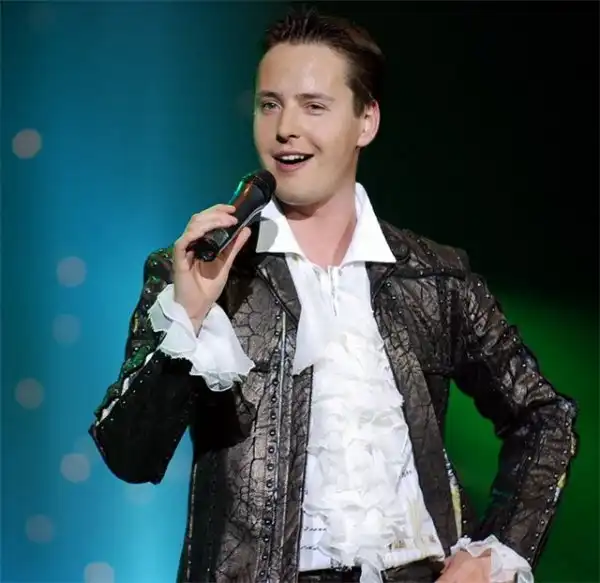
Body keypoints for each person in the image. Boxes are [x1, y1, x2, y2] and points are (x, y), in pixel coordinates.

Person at [89, 7, 578, 583]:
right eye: (270, 104)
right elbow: (131, 455)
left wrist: (494, 553)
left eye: (313, 106)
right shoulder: (200, 268)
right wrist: (190, 315)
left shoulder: (432, 276)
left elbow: (546, 415)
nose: (285, 128)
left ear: (366, 121)